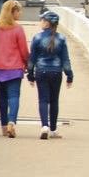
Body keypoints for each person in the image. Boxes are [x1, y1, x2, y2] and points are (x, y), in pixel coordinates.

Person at [27, 10, 74, 139]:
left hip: (41, 71)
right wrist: (69, 76)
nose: (40, 22)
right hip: (56, 72)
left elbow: (32, 59)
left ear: (47, 23)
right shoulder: (61, 39)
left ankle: (44, 126)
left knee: (43, 99)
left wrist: (30, 75)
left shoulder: (37, 38)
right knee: (54, 101)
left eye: (42, 20)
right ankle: (53, 129)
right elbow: (65, 60)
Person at [0, 0, 28, 138]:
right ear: (13, 12)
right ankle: (11, 122)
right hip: (14, 69)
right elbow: (23, 50)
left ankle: (4, 126)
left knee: (3, 97)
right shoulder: (17, 29)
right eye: (18, 11)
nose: (20, 13)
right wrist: (27, 63)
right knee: (14, 96)